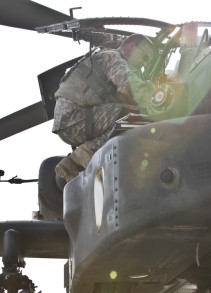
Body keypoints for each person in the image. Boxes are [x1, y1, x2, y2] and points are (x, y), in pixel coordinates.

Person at [52, 33, 156, 182]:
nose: (143, 63)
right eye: (144, 57)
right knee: (130, 115)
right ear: (132, 46)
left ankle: (76, 163)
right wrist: (156, 97)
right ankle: (79, 159)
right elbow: (129, 85)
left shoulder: (108, 58)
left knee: (128, 114)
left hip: (76, 120)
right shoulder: (113, 57)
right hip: (73, 119)